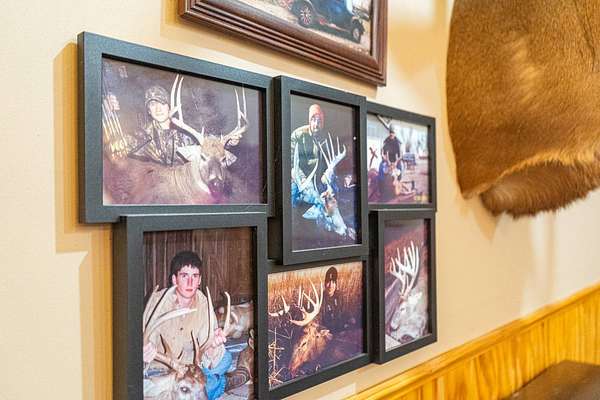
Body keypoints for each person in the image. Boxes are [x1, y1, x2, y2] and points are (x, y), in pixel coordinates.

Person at [143, 251, 231, 400]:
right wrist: (146, 350)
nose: (190, 283)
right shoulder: (158, 303)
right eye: (184, 276)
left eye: (194, 276)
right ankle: (221, 383)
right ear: (174, 279)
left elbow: (208, 351)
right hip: (162, 369)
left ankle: (209, 383)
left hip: (191, 369)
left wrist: (212, 346)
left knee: (225, 358)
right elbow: (145, 343)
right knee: (207, 386)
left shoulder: (204, 303)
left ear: (199, 280)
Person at [128, 85, 199, 167]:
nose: (158, 109)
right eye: (153, 104)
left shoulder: (186, 133)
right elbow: (121, 149)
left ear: (169, 106)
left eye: (162, 103)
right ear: (149, 111)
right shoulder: (143, 135)